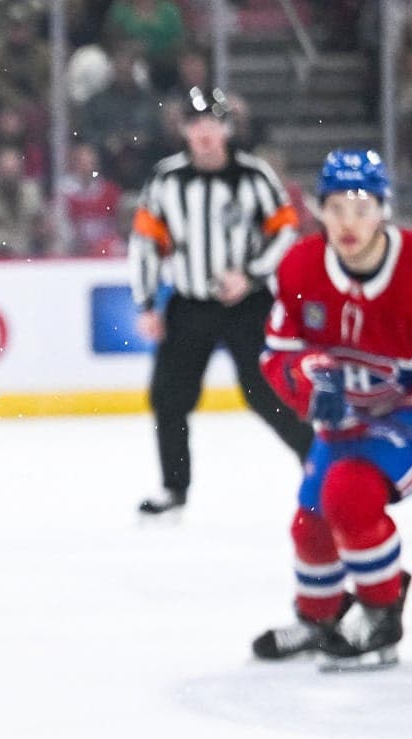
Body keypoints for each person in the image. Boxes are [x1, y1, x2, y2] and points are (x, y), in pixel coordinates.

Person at [253, 150, 412, 668]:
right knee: (310, 523)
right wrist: (307, 379)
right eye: (336, 207)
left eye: (361, 206)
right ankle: (320, 615)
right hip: (349, 415)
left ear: (383, 210)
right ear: (319, 211)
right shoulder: (302, 265)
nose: (348, 222)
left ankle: (379, 614)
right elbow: (277, 353)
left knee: (348, 495)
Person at [128, 86, 312, 515]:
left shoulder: (255, 175)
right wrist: (148, 303)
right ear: (185, 131)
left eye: (212, 124)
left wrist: (251, 275)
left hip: (247, 304)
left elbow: (285, 229)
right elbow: (145, 243)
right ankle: (175, 489)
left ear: (227, 128)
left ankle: (316, 464)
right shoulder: (166, 178)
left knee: (267, 391)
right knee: (169, 397)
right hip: (190, 303)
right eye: (196, 125)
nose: (204, 134)